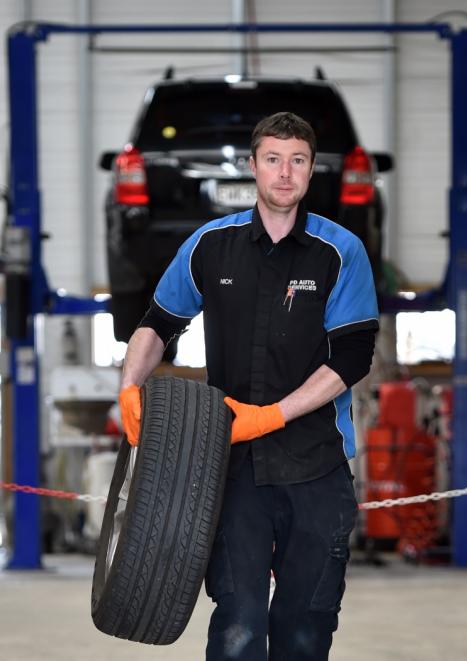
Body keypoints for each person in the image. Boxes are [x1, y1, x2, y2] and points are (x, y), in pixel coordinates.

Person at [118, 112, 379, 660]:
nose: (285, 173)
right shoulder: (211, 245)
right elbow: (157, 323)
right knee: (238, 626)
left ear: (311, 172)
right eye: (273, 159)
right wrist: (129, 387)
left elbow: (353, 355)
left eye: (298, 160)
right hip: (231, 468)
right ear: (253, 166)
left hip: (317, 466)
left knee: (306, 630)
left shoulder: (341, 252)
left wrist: (277, 413)